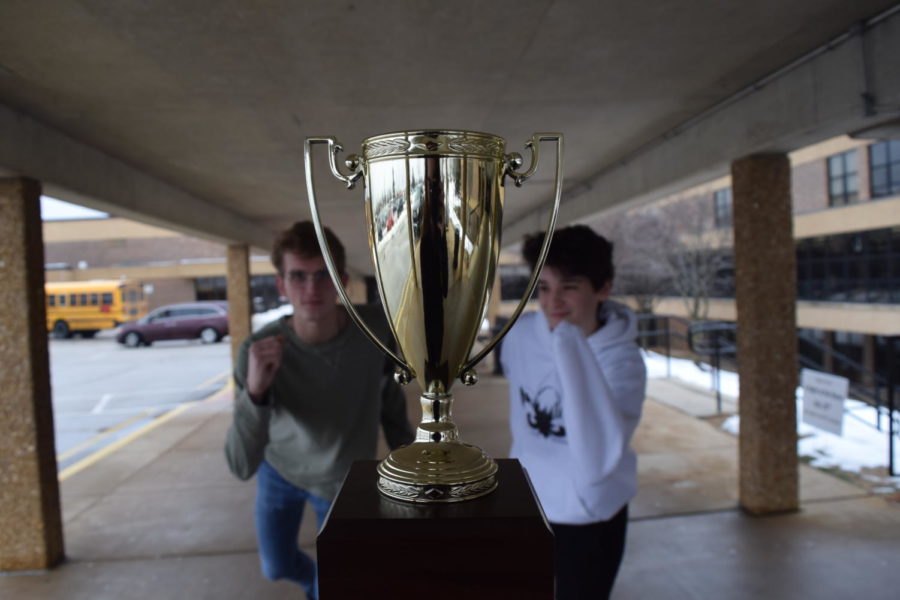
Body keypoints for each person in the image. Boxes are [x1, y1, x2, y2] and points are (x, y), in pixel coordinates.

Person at [225, 221, 414, 600]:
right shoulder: (258, 350)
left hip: (343, 479)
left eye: (322, 276)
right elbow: (240, 464)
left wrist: (410, 465)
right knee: (275, 565)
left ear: (342, 280)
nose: (311, 289)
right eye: (298, 277)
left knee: (339, 578)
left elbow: (390, 400)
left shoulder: (374, 332)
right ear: (281, 285)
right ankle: (314, 583)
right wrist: (256, 391)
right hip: (280, 471)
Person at [500, 225, 647, 600]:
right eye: (544, 287)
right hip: (530, 505)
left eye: (570, 286)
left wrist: (567, 342)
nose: (553, 302)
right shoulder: (520, 336)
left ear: (603, 289)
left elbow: (597, 458)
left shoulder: (623, 363)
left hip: (590, 515)